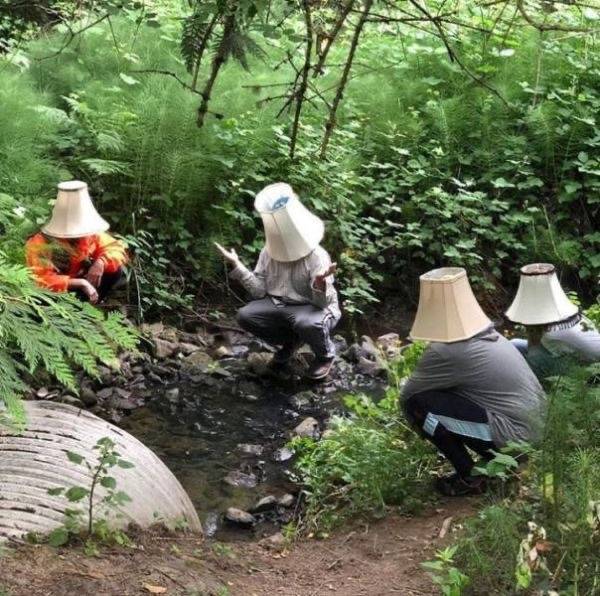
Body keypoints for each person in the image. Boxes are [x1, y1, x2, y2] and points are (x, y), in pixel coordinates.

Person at [400, 267, 545, 496]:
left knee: (417, 405)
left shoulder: (445, 352)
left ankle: (470, 478)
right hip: (537, 433)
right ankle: (493, 464)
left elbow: (407, 396)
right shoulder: (493, 336)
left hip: (516, 439)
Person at [215, 182, 340, 381]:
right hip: (279, 305)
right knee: (245, 315)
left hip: (313, 308)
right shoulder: (268, 253)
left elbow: (322, 304)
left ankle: (325, 355)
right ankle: (291, 343)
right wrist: (237, 265)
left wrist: (319, 283)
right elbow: (258, 292)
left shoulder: (317, 256)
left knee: (306, 323)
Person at [26, 181, 128, 304]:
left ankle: (88, 308)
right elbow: (39, 279)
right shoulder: (40, 242)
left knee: (115, 270)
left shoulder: (90, 234)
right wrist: (79, 283)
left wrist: (101, 262)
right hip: (51, 293)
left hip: (76, 283)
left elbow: (115, 248)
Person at [506, 263, 600, 379]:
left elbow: (534, 346)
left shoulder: (552, 333)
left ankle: (536, 385)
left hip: (589, 370)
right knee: (514, 343)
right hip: (571, 355)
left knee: (535, 356)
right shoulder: (566, 316)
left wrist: (531, 329)